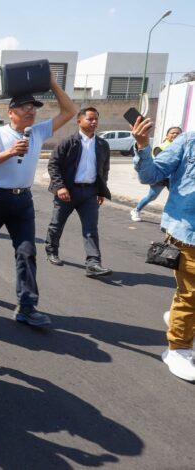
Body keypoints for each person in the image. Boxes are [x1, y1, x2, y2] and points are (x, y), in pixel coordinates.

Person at [0, 74, 77, 327]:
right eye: (25, 108)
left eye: (34, 109)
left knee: (27, 251)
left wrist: (53, 85)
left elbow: (70, 110)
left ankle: (26, 306)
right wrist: (9, 153)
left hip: (22, 200)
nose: (31, 113)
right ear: (11, 111)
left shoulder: (37, 132)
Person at [131, 118, 195, 382]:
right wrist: (143, 145)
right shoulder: (188, 142)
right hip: (188, 233)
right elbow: (151, 175)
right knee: (191, 294)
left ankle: (181, 319)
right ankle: (178, 348)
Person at [45, 107, 112, 277]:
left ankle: (93, 262)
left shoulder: (102, 145)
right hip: (67, 191)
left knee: (91, 228)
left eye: (96, 119)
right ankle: (52, 251)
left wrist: (101, 191)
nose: (94, 122)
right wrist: (60, 186)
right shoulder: (68, 142)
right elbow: (53, 165)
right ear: (79, 121)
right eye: (90, 119)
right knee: (57, 224)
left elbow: (104, 169)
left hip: (89, 192)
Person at [130, 126, 182, 222]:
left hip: (174, 178)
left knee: (177, 198)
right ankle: (136, 210)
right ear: (167, 136)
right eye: (173, 133)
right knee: (152, 196)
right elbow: (163, 164)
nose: (175, 135)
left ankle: (172, 219)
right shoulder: (161, 148)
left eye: (178, 133)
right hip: (160, 177)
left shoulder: (182, 148)